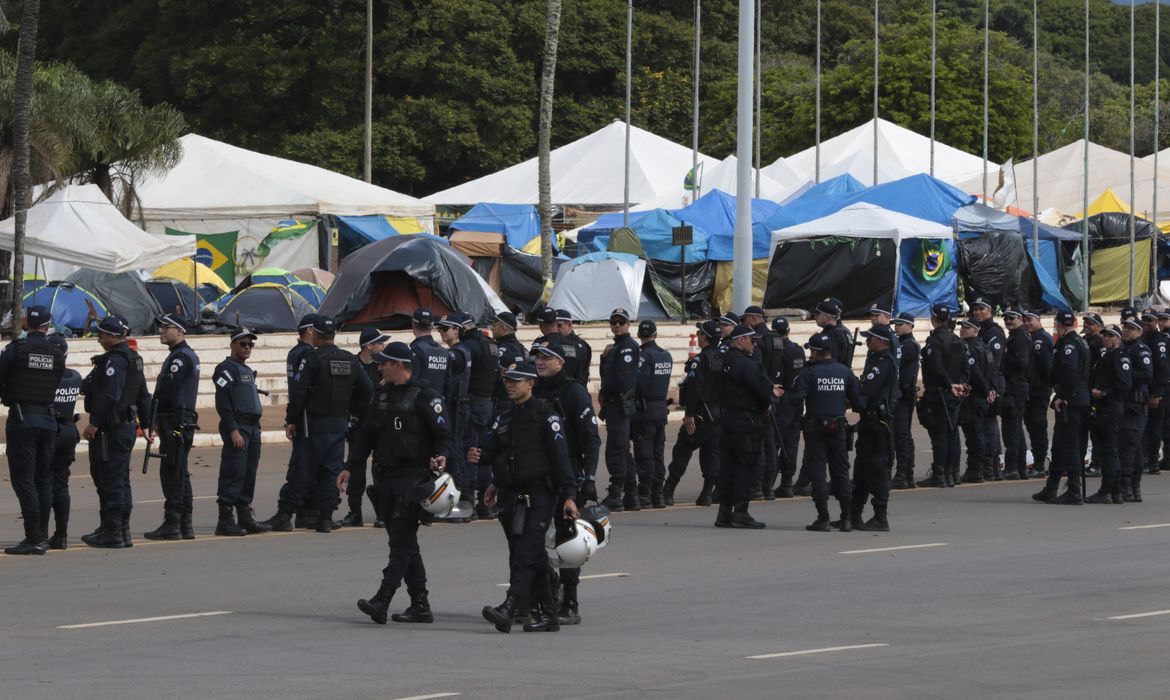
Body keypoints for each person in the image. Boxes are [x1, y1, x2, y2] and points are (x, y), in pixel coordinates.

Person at [343, 342, 452, 625]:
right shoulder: (381, 396)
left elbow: (444, 435)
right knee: (404, 542)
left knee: (401, 543)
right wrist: (349, 467)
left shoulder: (426, 396)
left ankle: (383, 598)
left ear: (400, 365)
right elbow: (366, 436)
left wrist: (442, 455)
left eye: (385, 363)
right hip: (385, 479)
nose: (380, 367)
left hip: (413, 479)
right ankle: (420, 603)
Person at [473, 362, 579, 634]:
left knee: (524, 552)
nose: (509, 385)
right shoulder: (506, 415)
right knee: (535, 556)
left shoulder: (546, 415)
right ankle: (550, 616)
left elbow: (561, 459)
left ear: (530, 384)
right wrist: (483, 464)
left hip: (541, 494)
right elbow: (496, 451)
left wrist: (569, 496)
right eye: (507, 380)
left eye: (515, 381)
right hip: (513, 495)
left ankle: (509, 607)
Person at [265, 316, 373, 532]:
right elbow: (367, 389)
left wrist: (291, 419)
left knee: (302, 470)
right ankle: (325, 517)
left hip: (313, 425)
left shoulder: (312, 358)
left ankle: (284, 515)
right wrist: (348, 406)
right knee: (331, 472)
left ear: (315, 333)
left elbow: (299, 392)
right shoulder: (349, 359)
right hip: (338, 425)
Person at [533, 338, 601, 625]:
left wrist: (589, 478)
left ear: (560, 362)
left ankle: (569, 602)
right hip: (537, 474)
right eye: (537, 357)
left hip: (568, 475)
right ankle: (542, 593)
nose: (539, 362)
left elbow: (591, 438)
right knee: (530, 538)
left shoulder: (574, 392)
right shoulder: (532, 389)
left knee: (568, 540)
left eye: (546, 357)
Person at [80, 315, 151, 549]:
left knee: (109, 479)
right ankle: (119, 529)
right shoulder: (133, 358)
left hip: (111, 429)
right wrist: (147, 424)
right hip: (125, 427)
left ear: (112, 336)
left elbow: (111, 396)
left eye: (101, 335)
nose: (99, 339)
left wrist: (94, 423)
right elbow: (143, 395)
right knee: (120, 479)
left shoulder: (115, 361)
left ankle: (113, 532)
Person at [0, 306, 66, 554]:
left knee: (24, 480)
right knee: (43, 479)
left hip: (22, 420)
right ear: (47, 326)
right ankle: (42, 534)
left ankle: (34, 538)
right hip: (48, 420)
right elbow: (56, 381)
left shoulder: (16, 349)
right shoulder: (57, 352)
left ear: (27, 323)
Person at [783, 332, 863, 531]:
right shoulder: (845, 371)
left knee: (818, 473)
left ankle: (823, 518)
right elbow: (859, 402)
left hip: (815, 428)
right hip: (838, 426)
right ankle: (846, 519)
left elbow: (795, 398)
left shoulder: (808, 373)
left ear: (816, 352)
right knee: (841, 472)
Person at [143, 314, 201, 541]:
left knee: (172, 471)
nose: (161, 331)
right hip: (179, 419)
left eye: (166, 327)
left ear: (180, 331)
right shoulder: (182, 355)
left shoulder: (181, 357)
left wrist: (152, 415)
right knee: (180, 471)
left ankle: (173, 522)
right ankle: (185, 523)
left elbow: (167, 391)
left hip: (175, 420)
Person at [211, 328, 272, 536]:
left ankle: (245, 515)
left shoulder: (244, 369)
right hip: (238, 426)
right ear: (232, 345)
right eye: (242, 344)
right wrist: (233, 429)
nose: (247, 348)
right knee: (233, 471)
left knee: (249, 473)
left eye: (250, 344)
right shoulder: (225, 369)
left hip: (252, 427)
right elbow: (222, 402)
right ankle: (225, 519)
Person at [714, 324, 773, 529]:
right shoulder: (747, 364)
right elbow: (762, 392)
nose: (754, 344)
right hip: (746, 421)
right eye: (751, 340)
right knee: (744, 467)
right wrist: (766, 404)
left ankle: (724, 512)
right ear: (740, 340)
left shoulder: (721, 360)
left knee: (728, 467)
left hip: (727, 418)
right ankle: (740, 512)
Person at [1033, 311, 1090, 505]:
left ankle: (1074, 490)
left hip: (1071, 400)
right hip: (1076, 397)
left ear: (1057, 324)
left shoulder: (1070, 345)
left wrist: (1063, 396)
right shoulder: (1079, 342)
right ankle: (1051, 488)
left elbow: (1070, 372)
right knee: (1059, 444)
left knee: (1069, 445)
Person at [664, 321, 723, 507]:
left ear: (705, 337)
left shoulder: (700, 360)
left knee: (682, 451)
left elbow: (693, 389)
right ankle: (706, 494)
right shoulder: (725, 357)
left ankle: (668, 492)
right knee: (712, 455)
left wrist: (689, 414)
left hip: (700, 415)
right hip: (718, 415)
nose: (697, 336)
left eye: (699, 333)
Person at [336, 328, 389, 528]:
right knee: (355, 467)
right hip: (358, 424)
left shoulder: (382, 366)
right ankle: (354, 511)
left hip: (380, 424)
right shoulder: (352, 364)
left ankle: (383, 512)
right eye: (380, 343)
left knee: (381, 467)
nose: (383, 346)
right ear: (369, 346)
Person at [849, 325, 896, 531]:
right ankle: (853, 515)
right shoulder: (875, 360)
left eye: (871, 338)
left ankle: (880, 517)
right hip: (868, 423)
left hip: (877, 424)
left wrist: (852, 394)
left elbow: (866, 391)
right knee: (861, 471)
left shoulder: (883, 363)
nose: (867, 341)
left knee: (877, 470)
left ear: (882, 341)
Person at [916, 304, 969, 488]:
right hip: (953, 393)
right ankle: (951, 473)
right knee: (951, 434)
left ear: (933, 318)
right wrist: (960, 384)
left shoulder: (935, 341)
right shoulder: (956, 340)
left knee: (941, 436)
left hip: (939, 393)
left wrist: (949, 385)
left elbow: (936, 368)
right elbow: (965, 367)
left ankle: (941, 474)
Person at [599, 307, 640, 511]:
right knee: (622, 449)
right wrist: (604, 357)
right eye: (613, 322)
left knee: (616, 449)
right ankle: (631, 493)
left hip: (620, 403)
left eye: (621, 322)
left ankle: (616, 493)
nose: (616, 325)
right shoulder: (616, 347)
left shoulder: (626, 348)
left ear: (628, 324)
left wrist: (607, 391)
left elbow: (623, 380)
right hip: (614, 404)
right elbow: (607, 375)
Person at [1085, 325, 1129, 504]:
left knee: (1109, 451)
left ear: (1118, 338)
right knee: (1108, 451)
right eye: (1104, 336)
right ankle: (1115, 492)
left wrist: (1104, 393)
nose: (1106, 339)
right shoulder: (1107, 356)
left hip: (1111, 408)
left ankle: (1106, 490)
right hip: (1103, 409)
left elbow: (1124, 385)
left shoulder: (1120, 356)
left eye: (1111, 336)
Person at [435, 314, 474, 523]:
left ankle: (461, 505)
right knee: (456, 454)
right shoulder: (461, 351)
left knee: (455, 456)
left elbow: (443, 360)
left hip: (456, 407)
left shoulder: (457, 353)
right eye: (439, 329)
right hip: (458, 406)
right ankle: (463, 503)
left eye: (445, 328)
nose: (441, 332)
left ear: (457, 330)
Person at [460, 315, 499, 519]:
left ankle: (468, 502)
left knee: (470, 452)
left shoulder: (468, 346)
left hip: (472, 402)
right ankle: (485, 503)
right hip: (487, 403)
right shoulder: (491, 344)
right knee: (482, 452)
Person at [631, 320, 672, 508]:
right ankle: (658, 493)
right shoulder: (666, 355)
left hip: (644, 411)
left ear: (639, 335)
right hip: (660, 410)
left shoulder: (643, 355)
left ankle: (645, 492)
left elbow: (639, 383)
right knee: (657, 453)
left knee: (644, 453)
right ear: (655, 334)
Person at [47, 334, 82, 550]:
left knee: (43, 484)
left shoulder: (45, 379)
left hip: (50, 432)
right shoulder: (75, 376)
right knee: (61, 486)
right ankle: (61, 535)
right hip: (69, 431)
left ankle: (39, 534)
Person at [744, 305, 782, 499]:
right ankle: (768, 487)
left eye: (746, 319)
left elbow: (757, 371)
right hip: (775, 393)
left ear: (753, 318)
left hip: (762, 395)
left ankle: (758, 486)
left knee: (759, 444)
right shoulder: (777, 339)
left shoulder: (757, 340)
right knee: (770, 443)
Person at [286, 313, 319, 529]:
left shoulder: (294, 352)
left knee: (303, 463)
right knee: (307, 465)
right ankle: (303, 510)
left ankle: (303, 511)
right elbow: (301, 388)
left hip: (299, 414)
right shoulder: (306, 354)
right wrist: (293, 417)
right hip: (307, 417)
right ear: (309, 330)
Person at [971, 298, 1006, 480]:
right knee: (984, 427)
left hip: (991, 383)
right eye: (975, 309)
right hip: (983, 384)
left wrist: (991, 387)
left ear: (990, 311)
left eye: (981, 309)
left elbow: (994, 363)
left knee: (989, 426)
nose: (978, 312)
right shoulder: (981, 330)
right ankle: (990, 466)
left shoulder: (994, 332)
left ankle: (993, 466)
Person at [771, 317, 805, 498]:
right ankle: (787, 483)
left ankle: (767, 483)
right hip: (796, 400)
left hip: (781, 400)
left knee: (773, 443)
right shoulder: (798, 350)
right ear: (788, 331)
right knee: (791, 443)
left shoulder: (778, 351)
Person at [957, 319, 994, 485]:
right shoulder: (984, 347)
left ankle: (976, 470)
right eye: (962, 327)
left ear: (976, 331)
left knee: (974, 435)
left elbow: (975, 373)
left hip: (974, 396)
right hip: (980, 396)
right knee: (978, 434)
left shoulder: (971, 348)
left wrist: (986, 391)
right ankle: (982, 468)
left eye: (967, 328)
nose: (962, 330)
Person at [1119, 320, 1152, 502]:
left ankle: (1129, 487)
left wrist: (1124, 373)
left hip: (1136, 405)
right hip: (1126, 403)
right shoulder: (1124, 349)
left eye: (1131, 329)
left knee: (1129, 447)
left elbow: (1147, 375)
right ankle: (1131, 488)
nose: (1126, 331)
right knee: (1133, 446)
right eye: (1125, 327)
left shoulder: (1141, 350)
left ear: (1139, 332)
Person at [1001, 308, 1033, 480]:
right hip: (1015, 387)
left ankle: (1012, 467)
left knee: (1011, 429)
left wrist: (1003, 357)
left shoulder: (1020, 337)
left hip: (1016, 387)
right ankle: (1020, 467)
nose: (1008, 321)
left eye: (1011, 318)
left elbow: (1022, 363)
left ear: (1020, 318)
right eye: (1006, 318)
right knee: (1015, 429)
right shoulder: (1015, 336)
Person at [891, 313, 920, 489]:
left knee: (901, 435)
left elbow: (897, 364)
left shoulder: (908, 345)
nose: (897, 327)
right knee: (902, 435)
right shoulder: (901, 343)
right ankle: (906, 474)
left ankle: (904, 474)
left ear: (910, 326)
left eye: (900, 324)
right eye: (896, 324)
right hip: (902, 394)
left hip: (904, 395)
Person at [1024, 310, 1054, 477]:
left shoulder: (1041, 339)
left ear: (1038, 319)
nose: (1027, 323)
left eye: (1030, 319)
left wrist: (1045, 386)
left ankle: (1040, 464)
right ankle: (1038, 462)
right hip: (1033, 389)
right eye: (1025, 320)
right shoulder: (1032, 338)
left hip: (1039, 390)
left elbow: (1046, 368)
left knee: (1038, 427)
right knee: (1032, 427)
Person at [1141, 310, 1170, 476]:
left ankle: (1152, 462)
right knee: (1146, 427)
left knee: (1155, 427)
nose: (1146, 323)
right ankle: (1147, 458)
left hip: (1156, 391)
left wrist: (1157, 393)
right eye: (1144, 319)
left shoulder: (1159, 341)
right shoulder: (1143, 338)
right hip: (1145, 390)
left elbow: (1163, 368)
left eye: (1150, 320)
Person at [409, 308, 450, 393]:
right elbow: (448, 384)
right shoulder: (445, 352)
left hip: (419, 400)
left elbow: (410, 380)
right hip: (439, 400)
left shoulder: (416, 350)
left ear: (413, 325)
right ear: (432, 326)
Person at [814, 298, 854, 367]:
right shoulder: (843, 331)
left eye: (818, 313)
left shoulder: (834, 333)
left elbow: (830, 361)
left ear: (827, 316)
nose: (815, 317)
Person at [556, 309, 592, 385]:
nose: (556, 329)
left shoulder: (580, 345)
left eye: (559, 325)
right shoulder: (555, 342)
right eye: (554, 325)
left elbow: (580, 372)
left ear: (569, 325)